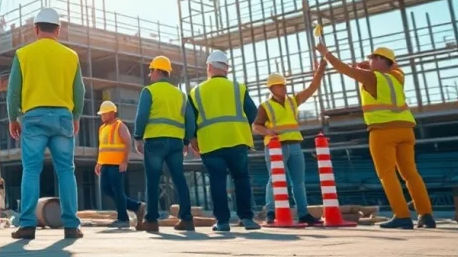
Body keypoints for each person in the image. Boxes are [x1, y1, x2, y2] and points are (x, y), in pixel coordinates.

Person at [316, 43, 435, 229]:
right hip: (406, 130)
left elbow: (344, 69)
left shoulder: (372, 78)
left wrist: (326, 53)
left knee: (387, 174)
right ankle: (426, 215)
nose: (369, 61)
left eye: (372, 58)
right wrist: (369, 65)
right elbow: (394, 66)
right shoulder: (398, 77)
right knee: (411, 174)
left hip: (382, 131)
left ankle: (402, 216)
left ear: (379, 59)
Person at [7, 7, 86, 240]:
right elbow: (79, 91)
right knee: (66, 171)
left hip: (33, 117)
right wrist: (76, 116)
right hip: (63, 117)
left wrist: (13, 118)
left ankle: (27, 225)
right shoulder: (71, 56)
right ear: (58, 30)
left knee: (31, 170)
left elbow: (13, 91)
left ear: (35, 29)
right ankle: (71, 226)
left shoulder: (23, 54)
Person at [189, 50, 262, 232]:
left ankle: (222, 222)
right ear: (226, 69)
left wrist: (192, 138)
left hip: (210, 142)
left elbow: (190, 119)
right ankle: (247, 218)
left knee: (217, 181)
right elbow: (253, 113)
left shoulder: (196, 92)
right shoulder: (238, 88)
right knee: (241, 178)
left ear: (209, 67)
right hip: (237, 139)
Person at [252, 61, 327, 226]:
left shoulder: (293, 101)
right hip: (275, 147)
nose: (284, 88)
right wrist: (268, 131)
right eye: (280, 85)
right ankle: (271, 213)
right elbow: (256, 126)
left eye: (284, 85)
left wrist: (319, 71)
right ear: (271, 88)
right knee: (274, 180)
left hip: (294, 145)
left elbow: (312, 89)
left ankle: (303, 214)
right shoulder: (265, 106)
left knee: (299, 182)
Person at [134, 56, 196, 232]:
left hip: (155, 141)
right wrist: (186, 140)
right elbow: (190, 120)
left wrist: (138, 137)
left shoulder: (149, 91)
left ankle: (152, 221)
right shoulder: (180, 94)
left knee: (153, 181)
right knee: (179, 179)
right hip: (176, 143)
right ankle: (187, 219)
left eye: (151, 71)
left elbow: (142, 115)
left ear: (156, 71)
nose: (150, 75)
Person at [94, 101, 145, 229]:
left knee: (118, 191)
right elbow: (102, 147)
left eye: (104, 113)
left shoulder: (120, 126)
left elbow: (128, 143)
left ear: (112, 113)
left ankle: (123, 219)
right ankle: (136, 206)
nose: (102, 116)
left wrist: (124, 162)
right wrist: (99, 162)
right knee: (106, 189)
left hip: (117, 164)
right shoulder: (102, 128)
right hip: (105, 164)